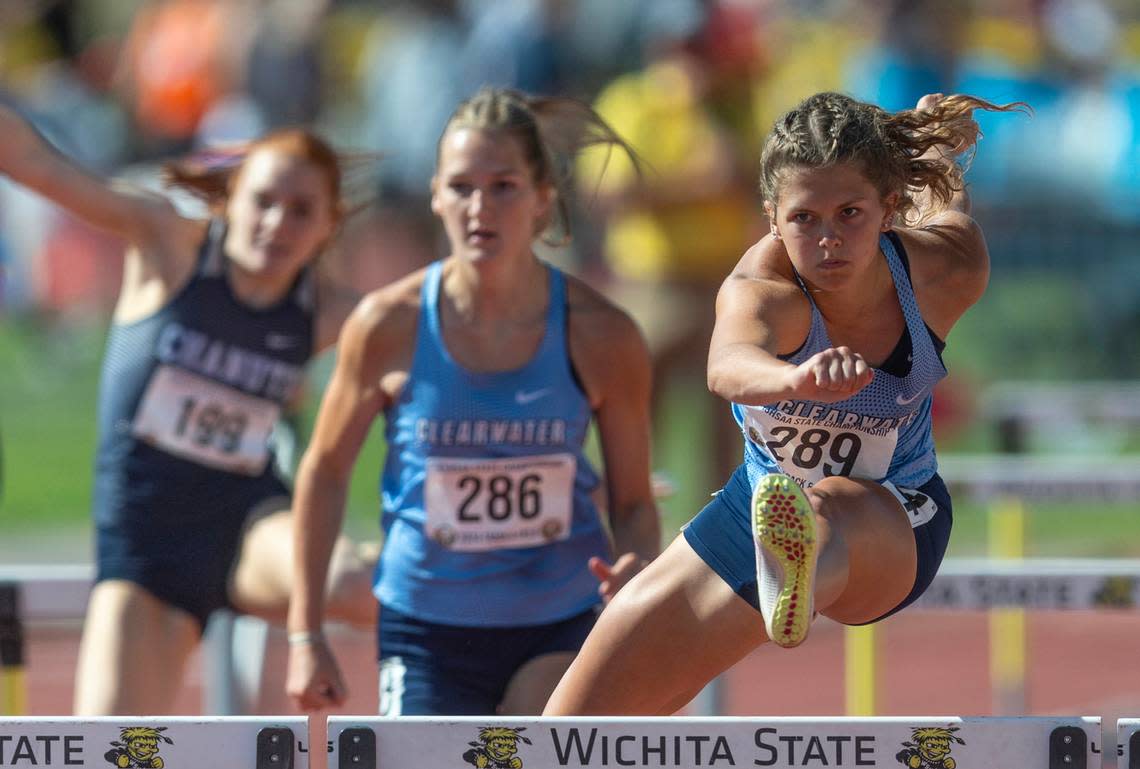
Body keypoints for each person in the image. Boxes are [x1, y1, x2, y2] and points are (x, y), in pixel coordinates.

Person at [544, 91, 1025, 715]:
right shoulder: (762, 288)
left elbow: (945, 209)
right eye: (805, 219)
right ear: (772, 216)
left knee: (827, 507)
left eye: (850, 213)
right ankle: (783, 569)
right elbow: (727, 366)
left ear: (889, 210)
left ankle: (793, 571)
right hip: (760, 504)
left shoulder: (942, 273)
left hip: (895, 517)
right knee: (572, 724)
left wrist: (935, 147)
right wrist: (796, 381)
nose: (829, 241)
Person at [285, 86, 662, 716]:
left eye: (503, 187)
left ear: (542, 200)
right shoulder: (387, 326)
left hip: (559, 620)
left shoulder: (602, 334)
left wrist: (638, 565)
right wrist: (305, 633)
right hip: (426, 628)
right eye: (461, 187)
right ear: (435, 195)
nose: (479, 207)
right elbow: (323, 472)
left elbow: (633, 501)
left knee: (525, 748)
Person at [0, 102, 377, 715]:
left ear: (328, 227)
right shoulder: (169, 244)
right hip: (144, 545)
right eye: (263, 202)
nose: (277, 224)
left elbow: (450, 325)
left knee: (361, 584)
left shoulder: (332, 311)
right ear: (230, 200)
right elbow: (35, 164)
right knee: (111, 747)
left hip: (245, 526)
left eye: (301, 210)